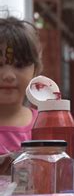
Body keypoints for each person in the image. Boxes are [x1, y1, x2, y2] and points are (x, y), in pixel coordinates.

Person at [0, 16, 42, 174]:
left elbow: (70, 185)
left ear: (35, 70)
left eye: (19, 65)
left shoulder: (45, 125)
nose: (8, 75)